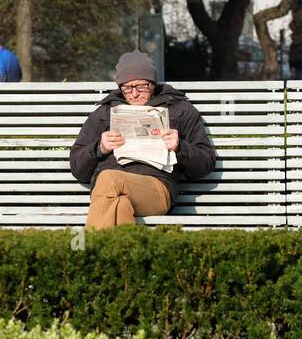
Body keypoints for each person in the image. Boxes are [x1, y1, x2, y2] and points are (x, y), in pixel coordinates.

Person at [69, 51, 217, 229]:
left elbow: (205, 165)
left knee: (108, 179)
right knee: (119, 205)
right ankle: (119, 256)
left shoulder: (180, 109)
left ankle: (86, 253)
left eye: (141, 86)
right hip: (109, 192)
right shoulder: (105, 113)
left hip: (156, 188)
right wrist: (100, 148)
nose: (134, 94)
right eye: (127, 88)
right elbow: (78, 168)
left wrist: (180, 147)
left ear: (153, 84)